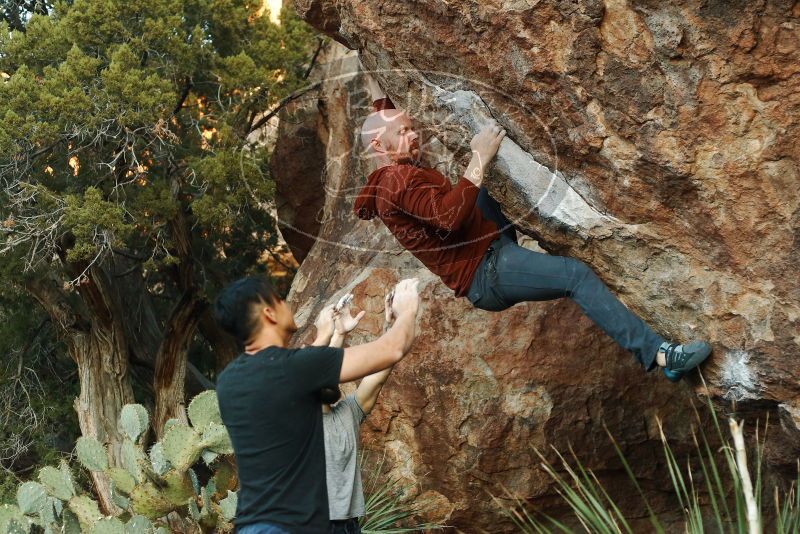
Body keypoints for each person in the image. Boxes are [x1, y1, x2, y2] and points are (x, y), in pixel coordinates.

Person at [353, 71, 710, 382]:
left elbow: (388, 130)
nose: (413, 135)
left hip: (487, 241)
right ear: (377, 145)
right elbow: (448, 217)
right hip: (486, 273)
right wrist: (479, 157)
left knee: (489, 183)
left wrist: (381, 102)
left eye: (412, 128)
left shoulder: (395, 170)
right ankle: (661, 356)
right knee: (576, 276)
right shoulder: (395, 181)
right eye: (402, 132)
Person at [214, 276, 421, 534]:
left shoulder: (228, 382)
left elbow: (314, 390)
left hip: (251, 525)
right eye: (281, 300)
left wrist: (329, 334)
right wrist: (407, 307)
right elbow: (392, 349)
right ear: (269, 313)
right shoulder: (294, 367)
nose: (286, 304)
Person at [312, 291, 397, 534]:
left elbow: (378, 378)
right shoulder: (300, 419)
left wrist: (390, 326)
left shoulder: (348, 412)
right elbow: (312, 372)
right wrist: (336, 333)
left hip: (350, 525)